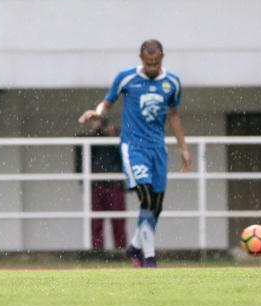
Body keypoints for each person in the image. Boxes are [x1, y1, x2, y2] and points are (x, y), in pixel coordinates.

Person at [79, 40, 190, 268]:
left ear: (162, 58)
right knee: (146, 195)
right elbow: (107, 103)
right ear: (141, 58)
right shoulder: (126, 78)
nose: (151, 67)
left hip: (157, 148)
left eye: (156, 62)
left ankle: (134, 245)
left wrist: (183, 147)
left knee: (156, 204)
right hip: (133, 147)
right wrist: (97, 112)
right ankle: (149, 256)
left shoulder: (172, 83)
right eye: (148, 62)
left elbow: (175, 115)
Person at [88, 117, 127, 252]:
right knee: (96, 221)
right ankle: (97, 251)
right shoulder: (93, 138)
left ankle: (121, 249)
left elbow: (124, 147)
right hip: (97, 184)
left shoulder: (118, 136)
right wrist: (95, 130)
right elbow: (82, 145)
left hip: (115, 183)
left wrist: (114, 133)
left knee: (118, 220)